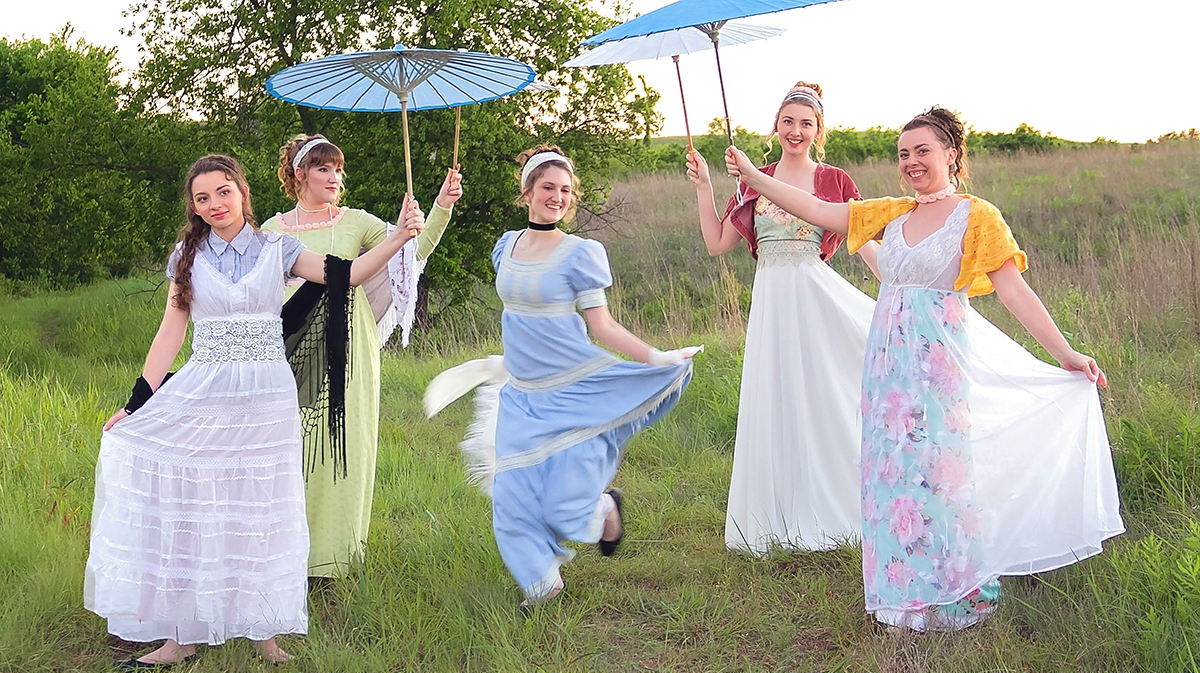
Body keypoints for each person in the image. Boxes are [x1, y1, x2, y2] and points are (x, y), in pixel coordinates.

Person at [726, 108, 1124, 631]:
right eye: (903, 154)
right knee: (891, 473)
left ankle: (954, 588)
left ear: (951, 155)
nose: (911, 162)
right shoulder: (893, 213)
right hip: (887, 366)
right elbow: (821, 209)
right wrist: (755, 178)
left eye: (923, 151)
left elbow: (1012, 289)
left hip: (938, 362)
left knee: (942, 469)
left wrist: (1065, 353)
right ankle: (902, 594)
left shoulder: (976, 215)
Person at [84, 154, 424, 668]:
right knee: (195, 502)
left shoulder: (277, 248)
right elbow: (171, 330)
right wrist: (138, 401)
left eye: (223, 192)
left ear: (242, 192)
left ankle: (265, 633)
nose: (215, 204)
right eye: (203, 198)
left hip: (266, 393)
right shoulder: (187, 256)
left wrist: (399, 237)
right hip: (207, 385)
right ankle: (182, 638)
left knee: (263, 504)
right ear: (194, 208)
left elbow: (348, 276)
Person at [426, 145, 699, 608]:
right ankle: (542, 584)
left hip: (572, 387)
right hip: (522, 394)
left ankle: (605, 509)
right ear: (527, 191)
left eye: (566, 190)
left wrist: (655, 357)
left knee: (564, 505)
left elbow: (602, 325)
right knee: (510, 499)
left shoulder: (579, 253)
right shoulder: (505, 247)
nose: (557, 197)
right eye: (548, 188)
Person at [687, 82, 878, 554]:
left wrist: (899, 283)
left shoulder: (834, 181)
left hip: (815, 299)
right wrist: (706, 187)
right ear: (776, 125)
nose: (796, 130)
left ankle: (837, 507)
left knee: (822, 396)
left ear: (818, 130)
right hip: (772, 301)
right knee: (777, 396)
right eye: (788, 121)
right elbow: (717, 244)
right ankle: (779, 519)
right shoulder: (754, 179)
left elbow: (864, 240)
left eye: (806, 123)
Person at [262, 134, 460, 578]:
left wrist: (439, 208)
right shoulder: (272, 231)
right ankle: (286, 559)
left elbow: (410, 254)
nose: (334, 178)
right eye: (323, 169)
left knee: (342, 449)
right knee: (292, 451)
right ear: (299, 175)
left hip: (350, 346)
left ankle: (332, 565)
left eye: (337, 170)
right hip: (290, 348)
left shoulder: (357, 222)